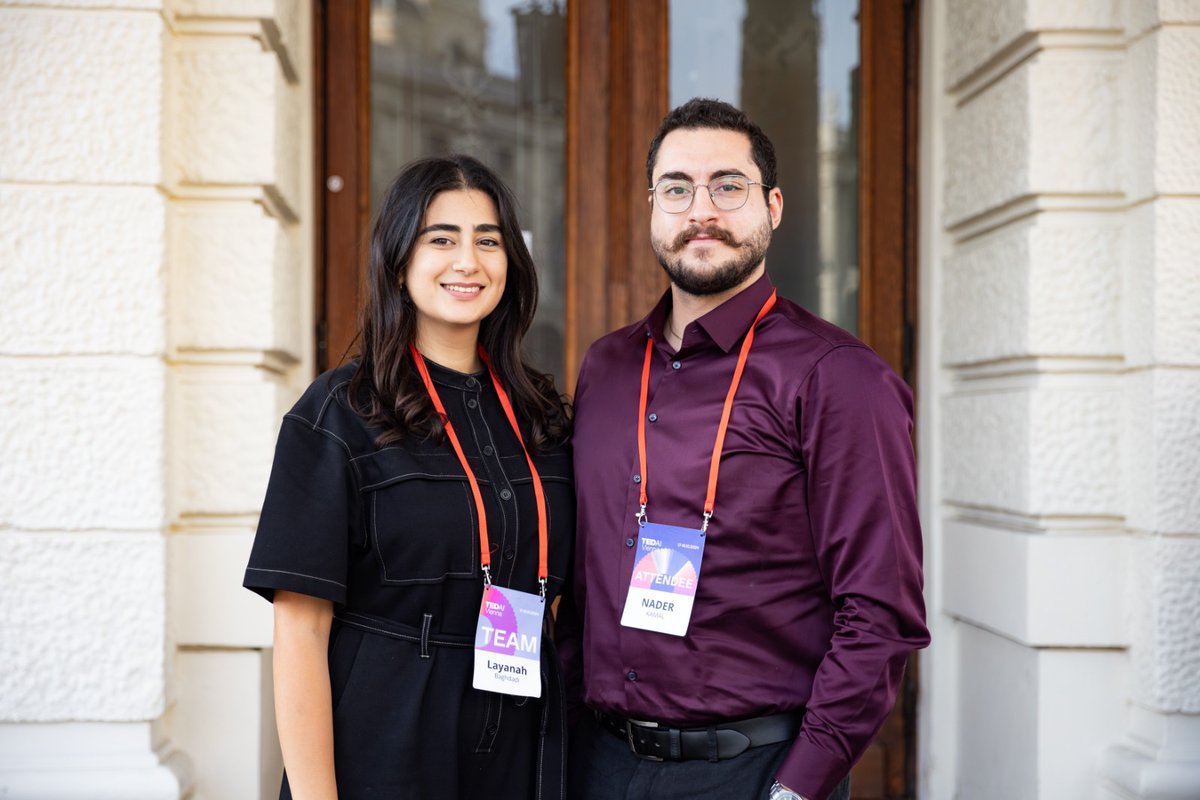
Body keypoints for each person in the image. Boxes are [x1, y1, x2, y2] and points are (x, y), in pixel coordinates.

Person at [555, 98, 930, 800]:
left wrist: (799, 785)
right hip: (600, 765)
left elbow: (880, 609)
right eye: (677, 189)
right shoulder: (606, 369)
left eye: (728, 186)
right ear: (652, 208)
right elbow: (585, 578)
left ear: (774, 206)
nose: (702, 210)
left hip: (753, 773)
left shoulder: (839, 378)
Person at [244, 155, 574, 800]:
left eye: (488, 241)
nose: (467, 261)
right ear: (400, 261)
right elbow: (301, 630)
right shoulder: (341, 411)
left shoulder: (540, 414)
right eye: (441, 239)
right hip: (384, 738)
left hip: (520, 743)